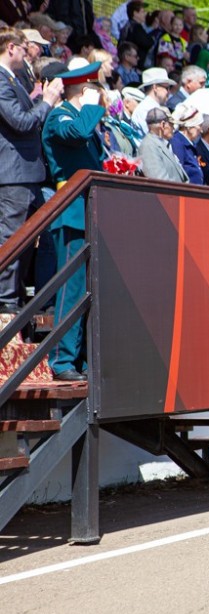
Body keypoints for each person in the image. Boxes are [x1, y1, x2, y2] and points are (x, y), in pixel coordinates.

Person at [40, 60, 104, 382]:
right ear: (85, 91)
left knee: (91, 289)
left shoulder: (78, 117)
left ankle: (82, 359)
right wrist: (90, 107)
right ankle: (62, 360)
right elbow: (77, 134)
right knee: (73, 287)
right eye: (94, 92)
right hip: (73, 209)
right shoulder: (59, 116)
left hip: (91, 208)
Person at [0, 27, 63, 314]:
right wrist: (47, 101)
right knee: (13, 238)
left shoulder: (11, 79)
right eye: (24, 48)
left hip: (28, 173)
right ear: (11, 48)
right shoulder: (1, 80)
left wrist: (41, 100)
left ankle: (21, 299)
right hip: (14, 174)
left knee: (33, 238)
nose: (28, 54)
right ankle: (6, 303)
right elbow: (21, 122)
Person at [138, 107, 188, 182]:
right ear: (162, 125)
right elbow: (158, 181)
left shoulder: (161, 144)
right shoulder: (148, 146)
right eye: (171, 124)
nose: (173, 128)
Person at [131, 66, 174, 136]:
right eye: (166, 88)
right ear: (155, 87)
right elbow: (153, 137)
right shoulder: (146, 109)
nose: (169, 92)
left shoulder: (150, 107)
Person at [168, 102, 202, 184]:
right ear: (189, 127)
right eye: (199, 125)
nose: (201, 130)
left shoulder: (189, 144)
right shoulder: (177, 143)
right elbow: (178, 172)